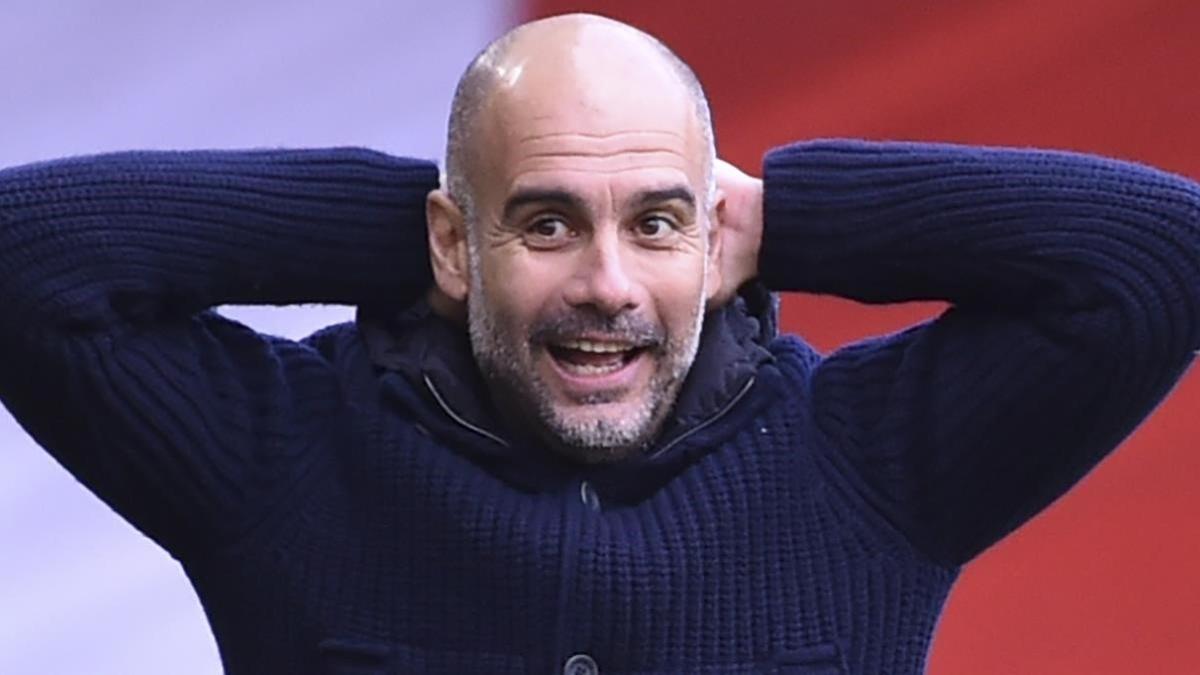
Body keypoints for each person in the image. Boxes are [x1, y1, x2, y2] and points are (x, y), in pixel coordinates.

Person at [0, 12, 1196, 675]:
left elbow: (1159, 263)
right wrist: (436, 222)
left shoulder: (866, 464)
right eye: (548, 223)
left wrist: (797, 218)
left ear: (716, 236)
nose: (608, 285)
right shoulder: (286, 456)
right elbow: (26, 260)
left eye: (658, 223)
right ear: (454, 247)